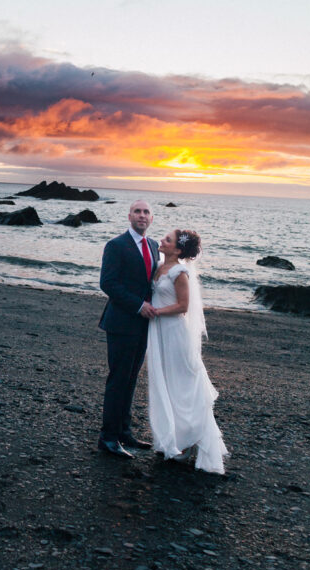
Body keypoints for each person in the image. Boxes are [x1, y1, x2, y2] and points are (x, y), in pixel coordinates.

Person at [147, 228, 228, 474]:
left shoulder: (180, 272)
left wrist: (155, 312)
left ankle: (188, 441)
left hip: (174, 333)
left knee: (181, 386)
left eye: (167, 239)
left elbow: (183, 306)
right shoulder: (158, 266)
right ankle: (170, 437)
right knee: (166, 384)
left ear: (178, 250)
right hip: (159, 331)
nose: (162, 240)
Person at [97, 198, 159, 458]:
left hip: (144, 325)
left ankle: (125, 432)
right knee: (118, 380)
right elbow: (108, 283)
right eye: (137, 211)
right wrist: (138, 305)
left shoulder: (154, 246)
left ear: (151, 218)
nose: (142, 216)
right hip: (122, 322)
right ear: (129, 216)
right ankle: (108, 438)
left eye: (146, 212)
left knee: (131, 379)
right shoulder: (116, 245)